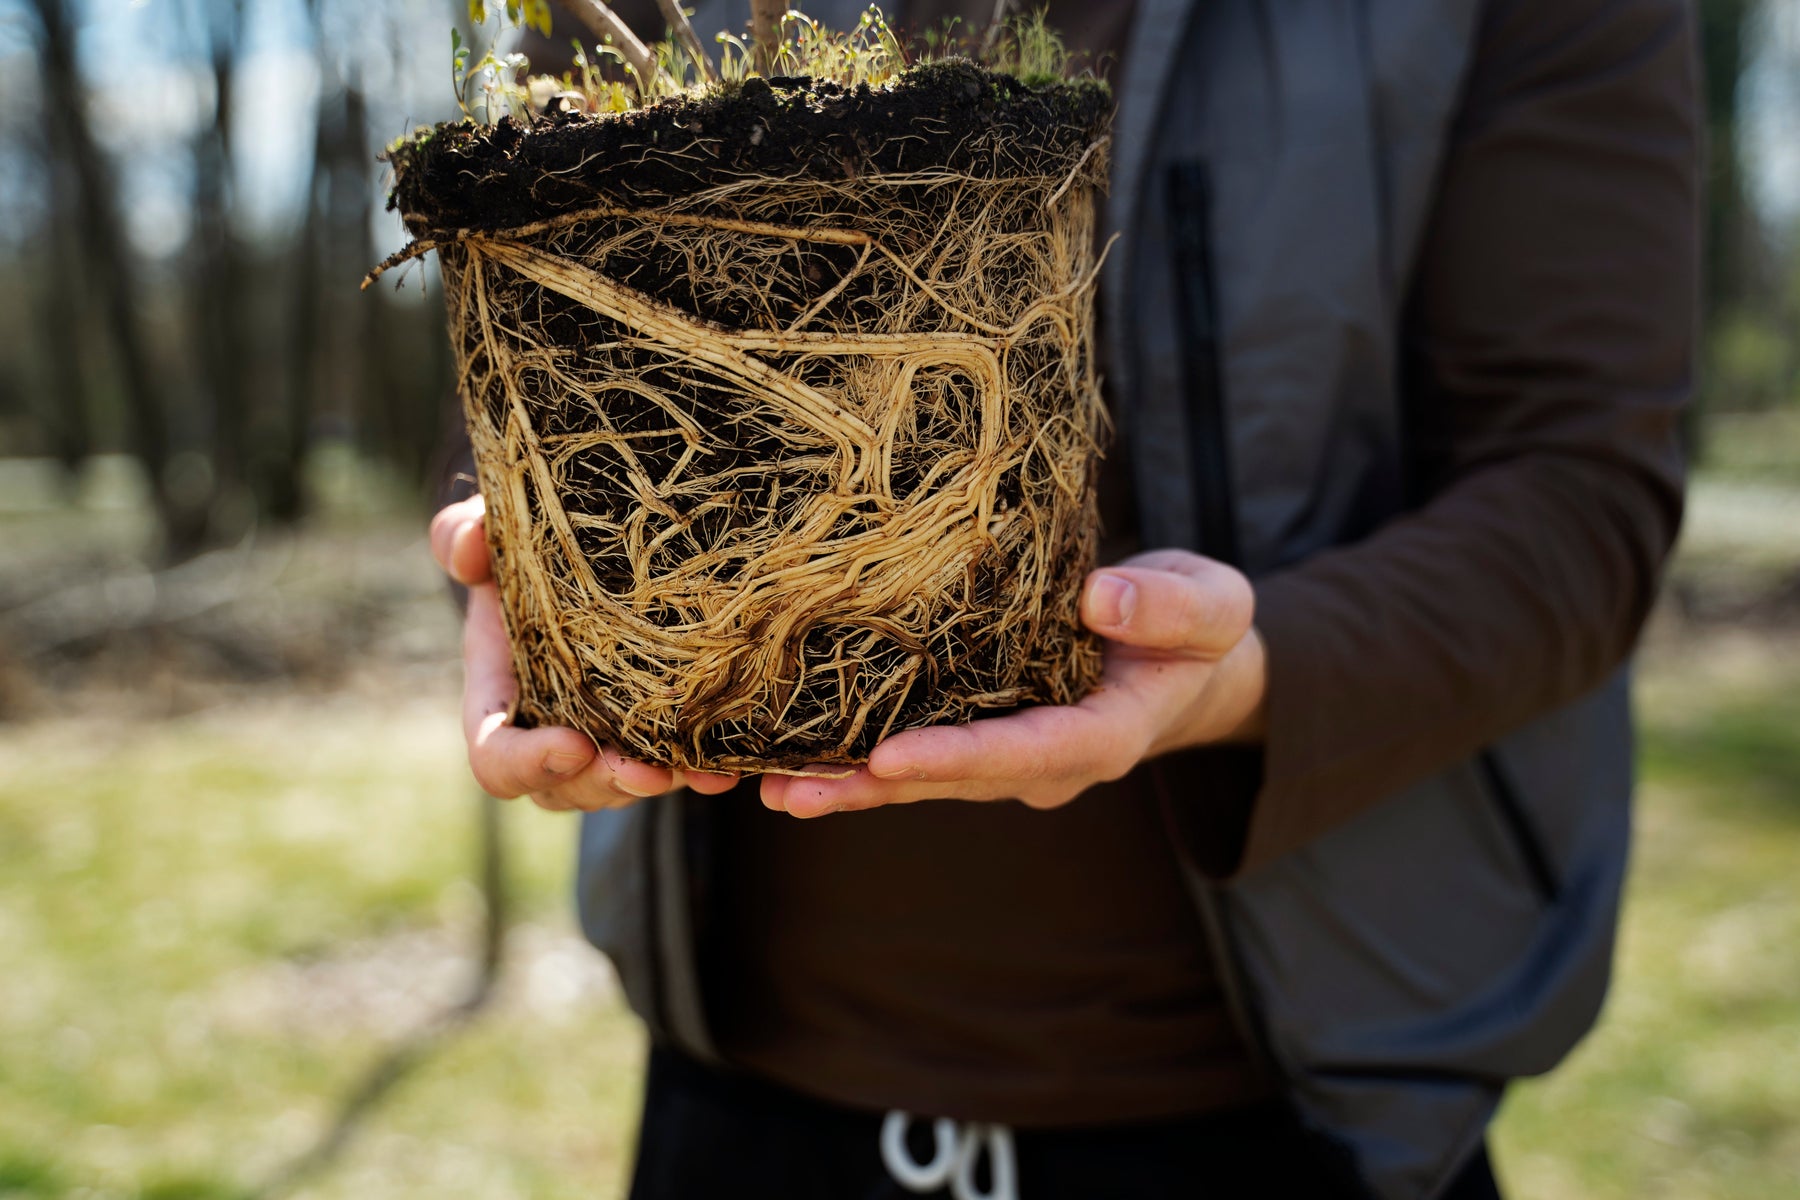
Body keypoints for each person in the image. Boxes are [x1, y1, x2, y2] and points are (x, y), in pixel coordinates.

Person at [428, 0, 1698, 1196]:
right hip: (739, 1098)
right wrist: (525, 584)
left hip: (1275, 1119)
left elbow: (1580, 494)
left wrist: (1253, 673)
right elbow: (520, 337)